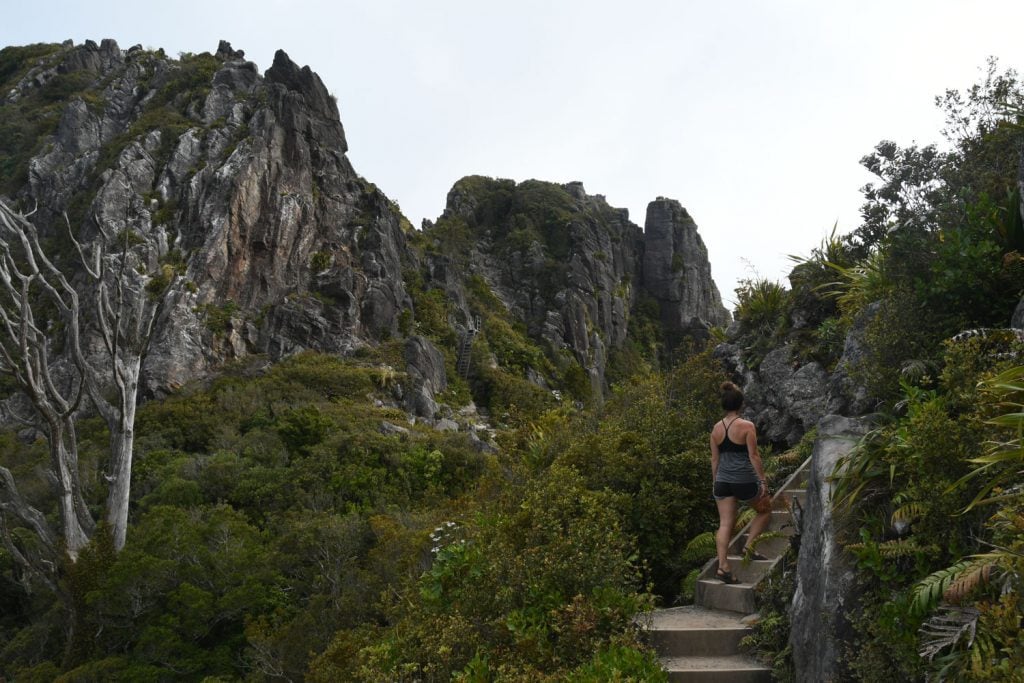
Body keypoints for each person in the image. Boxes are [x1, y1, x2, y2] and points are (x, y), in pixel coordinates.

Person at [709, 381, 771, 584]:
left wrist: (715, 482)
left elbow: (715, 460)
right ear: (740, 404)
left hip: (722, 482)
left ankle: (722, 566)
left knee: (725, 524)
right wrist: (762, 481)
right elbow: (754, 455)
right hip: (744, 480)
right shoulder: (746, 426)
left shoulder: (715, 429)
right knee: (764, 510)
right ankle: (749, 547)